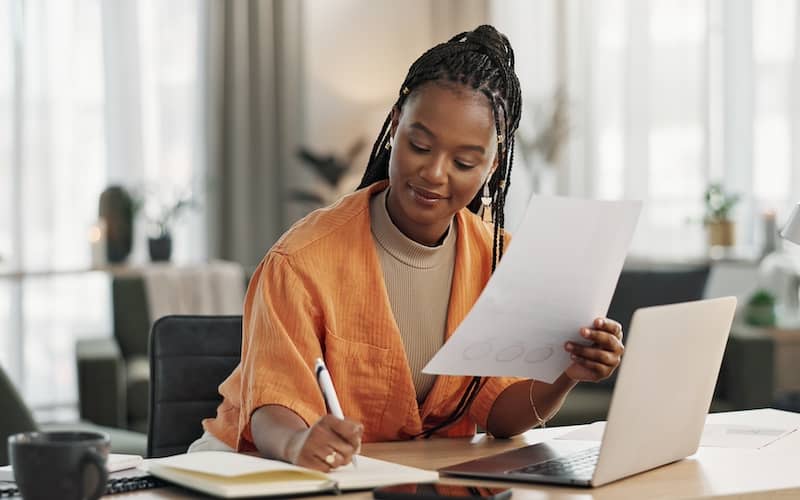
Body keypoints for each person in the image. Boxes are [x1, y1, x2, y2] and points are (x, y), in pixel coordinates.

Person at [192, 25, 625, 472]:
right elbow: (271, 409)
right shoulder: (301, 260)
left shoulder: (499, 262)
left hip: (401, 475)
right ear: (396, 124)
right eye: (420, 146)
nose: (435, 174)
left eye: (463, 162)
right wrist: (300, 441)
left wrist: (567, 374)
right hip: (260, 468)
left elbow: (500, 417)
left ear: (492, 165)